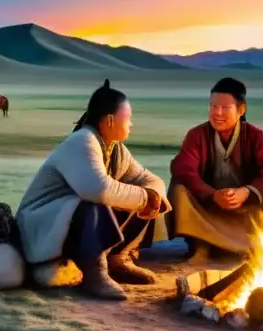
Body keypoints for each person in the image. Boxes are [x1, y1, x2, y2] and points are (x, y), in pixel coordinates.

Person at [16, 79, 169, 300]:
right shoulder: (82, 141)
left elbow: (147, 178)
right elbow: (97, 189)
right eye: (128, 118)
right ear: (109, 120)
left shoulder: (115, 149)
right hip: (44, 224)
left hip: (67, 225)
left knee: (146, 195)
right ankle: (94, 272)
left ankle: (118, 259)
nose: (131, 124)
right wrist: (144, 198)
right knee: (94, 202)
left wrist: (151, 196)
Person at [168, 77, 263, 264]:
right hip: (210, 207)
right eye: (213, 106)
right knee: (179, 189)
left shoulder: (255, 136)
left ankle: (254, 246)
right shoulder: (197, 135)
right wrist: (212, 195)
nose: (217, 113)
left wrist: (247, 192)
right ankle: (203, 245)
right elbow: (183, 169)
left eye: (225, 108)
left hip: (245, 207)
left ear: (241, 110)